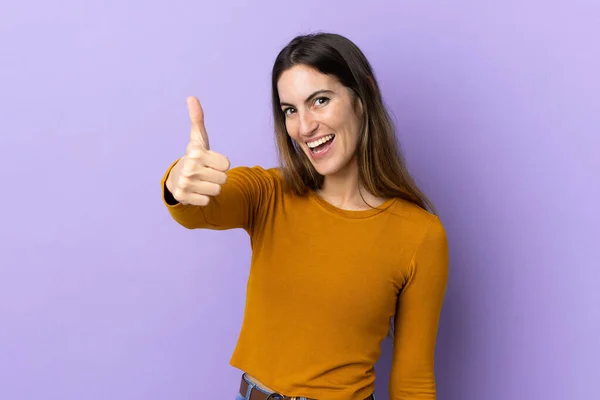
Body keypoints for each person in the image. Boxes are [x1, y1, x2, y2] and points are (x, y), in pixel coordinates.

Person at [160, 32, 449, 400]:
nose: (304, 126)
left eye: (320, 100)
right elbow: (195, 209)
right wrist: (179, 179)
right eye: (290, 110)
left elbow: (413, 382)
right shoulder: (269, 193)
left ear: (362, 97)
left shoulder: (420, 235)